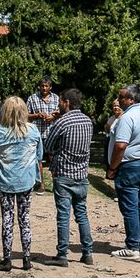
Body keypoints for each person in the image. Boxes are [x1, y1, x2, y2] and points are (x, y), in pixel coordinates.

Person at [0, 96, 43, 271]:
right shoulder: (33, 131)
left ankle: (7, 259)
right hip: (26, 180)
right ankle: (26, 258)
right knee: (25, 219)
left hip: (5, 181)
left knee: (7, 219)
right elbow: (39, 155)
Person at [41, 89, 94, 267]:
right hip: (82, 173)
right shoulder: (88, 121)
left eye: (60, 102)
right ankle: (87, 253)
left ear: (67, 103)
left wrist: (57, 152)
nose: (58, 105)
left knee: (63, 216)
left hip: (64, 173)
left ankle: (62, 254)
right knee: (82, 214)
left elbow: (47, 145)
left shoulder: (62, 122)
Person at [106, 84, 140, 260]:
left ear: (131, 99)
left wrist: (112, 168)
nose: (119, 100)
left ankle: (132, 246)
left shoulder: (127, 118)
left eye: (122, 97)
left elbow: (120, 146)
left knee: (130, 207)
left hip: (130, 165)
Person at [26, 77, 58, 193]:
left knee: (53, 158)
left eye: (46, 86)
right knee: (38, 159)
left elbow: (61, 112)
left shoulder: (56, 98)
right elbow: (25, 115)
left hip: (52, 132)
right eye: (42, 86)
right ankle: (41, 184)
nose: (44, 88)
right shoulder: (32, 98)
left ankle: (56, 183)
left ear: (50, 87)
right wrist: (36, 115)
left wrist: (53, 116)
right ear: (39, 87)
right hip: (36, 132)